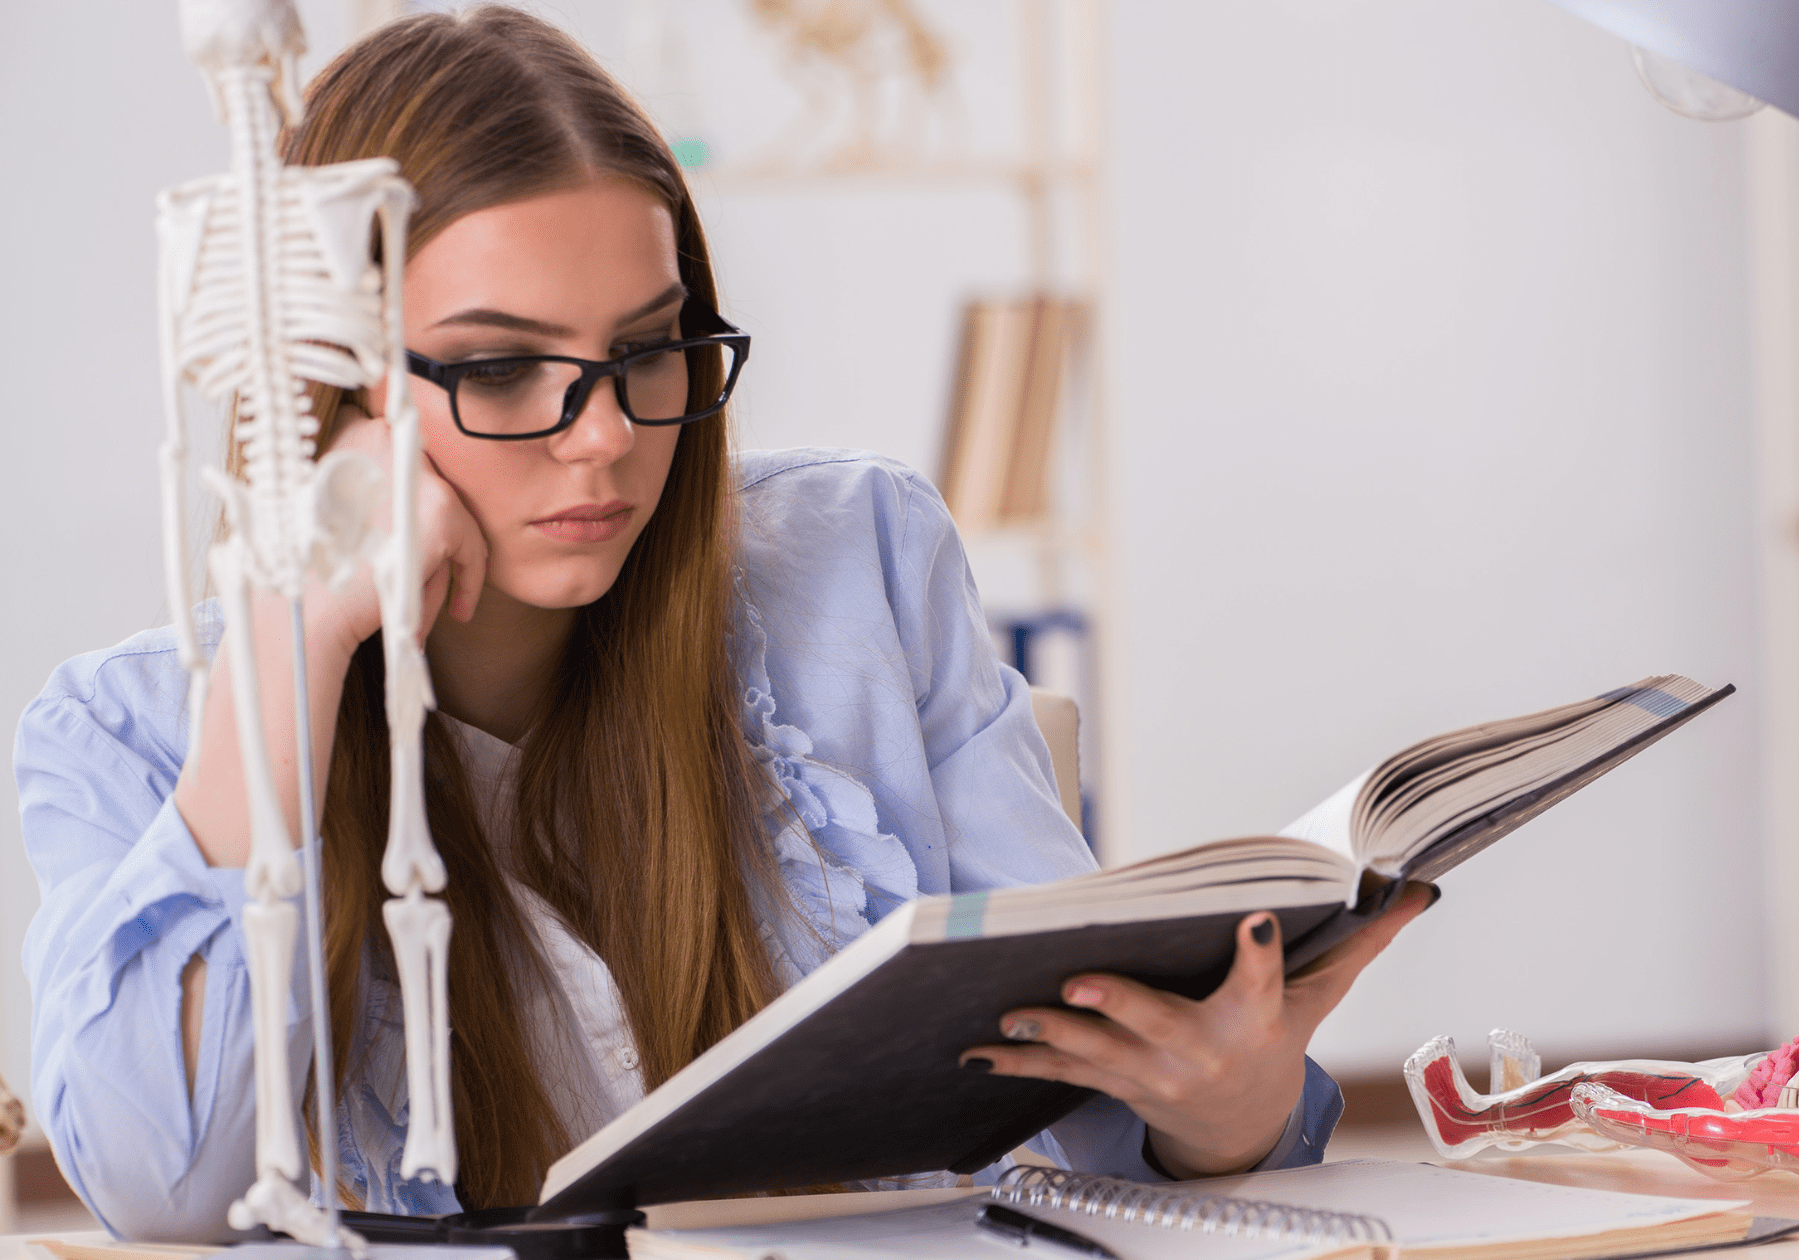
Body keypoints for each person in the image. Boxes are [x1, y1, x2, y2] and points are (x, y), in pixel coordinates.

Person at [16, 7, 1429, 1240]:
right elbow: (159, 1188)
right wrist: (292, 645)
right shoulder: (125, 735)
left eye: (649, 350)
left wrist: (1222, 1112)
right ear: (333, 390)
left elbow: (1084, 1106)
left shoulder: (858, 563)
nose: (609, 441)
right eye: (504, 369)